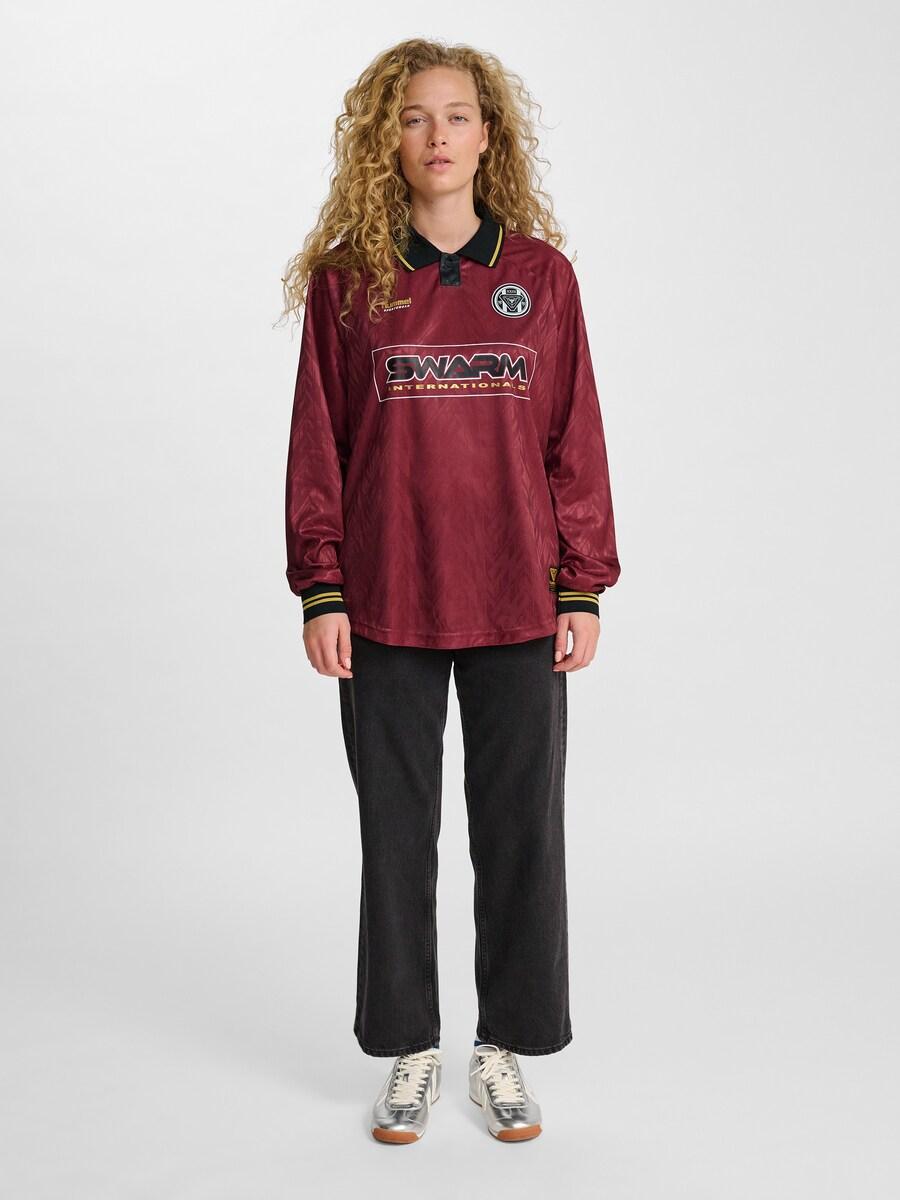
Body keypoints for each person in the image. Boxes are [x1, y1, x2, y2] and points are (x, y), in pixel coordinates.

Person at [280, 38, 621, 1144]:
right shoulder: (348, 282)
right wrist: (322, 588)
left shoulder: (543, 279)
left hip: (520, 598)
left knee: (521, 831)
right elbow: (319, 444)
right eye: (414, 116)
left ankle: (503, 1046)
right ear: (386, 137)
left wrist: (583, 586)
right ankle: (410, 1048)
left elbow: (574, 439)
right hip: (385, 602)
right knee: (397, 834)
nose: (437, 135)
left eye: (458, 115)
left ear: (489, 136)